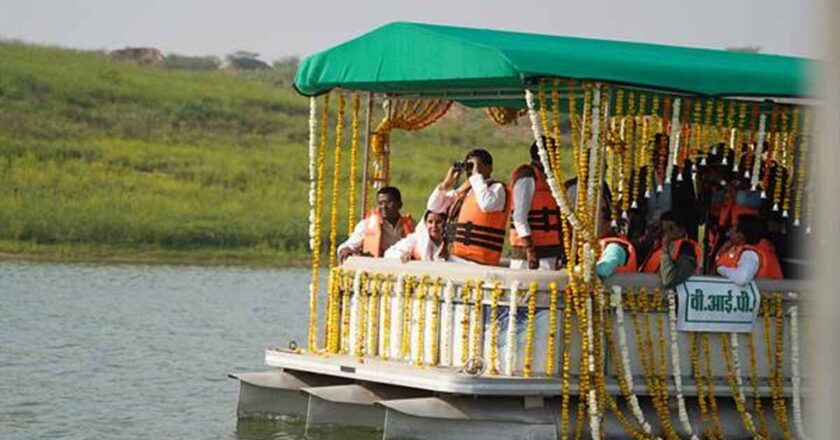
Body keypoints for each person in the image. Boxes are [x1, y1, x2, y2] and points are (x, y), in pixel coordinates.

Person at [427, 148, 510, 265]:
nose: (471, 170)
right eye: (469, 166)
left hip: (482, 262)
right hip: (456, 257)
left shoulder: (497, 189)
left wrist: (476, 177)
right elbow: (434, 206)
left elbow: (486, 204)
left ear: (489, 168)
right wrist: (446, 183)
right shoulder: (464, 191)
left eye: (475, 165)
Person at [508, 138, 563, 270]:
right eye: (553, 154)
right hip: (528, 256)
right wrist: (530, 249)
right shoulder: (527, 176)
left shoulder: (549, 179)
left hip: (549, 252)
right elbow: (519, 217)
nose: (556, 159)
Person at [337, 186, 415, 262]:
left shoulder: (411, 225)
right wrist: (346, 249)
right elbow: (349, 244)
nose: (383, 207)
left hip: (402, 267)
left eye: (388, 203)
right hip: (376, 268)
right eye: (380, 203)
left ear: (399, 205)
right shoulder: (367, 225)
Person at [639, 210, 702, 289]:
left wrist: (665, 250)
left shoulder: (686, 248)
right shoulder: (655, 247)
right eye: (662, 229)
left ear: (682, 231)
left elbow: (670, 280)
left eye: (671, 228)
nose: (666, 233)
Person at [714, 214, 783, 284]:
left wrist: (720, 269)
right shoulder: (733, 248)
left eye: (733, 228)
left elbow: (742, 278)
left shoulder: (750, 254)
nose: (729, 232)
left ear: (740, 235)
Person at [384, 211, 449, 262]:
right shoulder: (416, 239)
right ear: (425, 224)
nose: (434, 226)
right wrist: (402, 255)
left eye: (438, 222)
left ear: (445, 224)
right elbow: (388, 253)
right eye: (430, 222)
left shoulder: (450, 243)